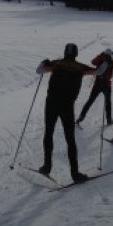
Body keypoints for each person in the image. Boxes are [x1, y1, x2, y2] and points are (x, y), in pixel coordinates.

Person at [36, 43, 99, 183]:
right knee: (70, 138)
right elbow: (99, 72)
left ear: (65, 52)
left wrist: (43, 62)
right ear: (76, 53)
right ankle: (75, 174)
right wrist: (106, 60)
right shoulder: (81, 67)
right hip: (67, 106)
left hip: (51, 103)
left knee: (48, 133)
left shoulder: (56, 63)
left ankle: (47, 167)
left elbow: (39, 70)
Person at [76, 48, 113, 127]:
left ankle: (80, 118)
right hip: (107, 85)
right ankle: (109, 120)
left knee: (90, 101)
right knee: (108, 102)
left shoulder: (100, 59)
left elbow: (93, 61)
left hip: (97, 84)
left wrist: (100, 55)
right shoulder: (112, 62)